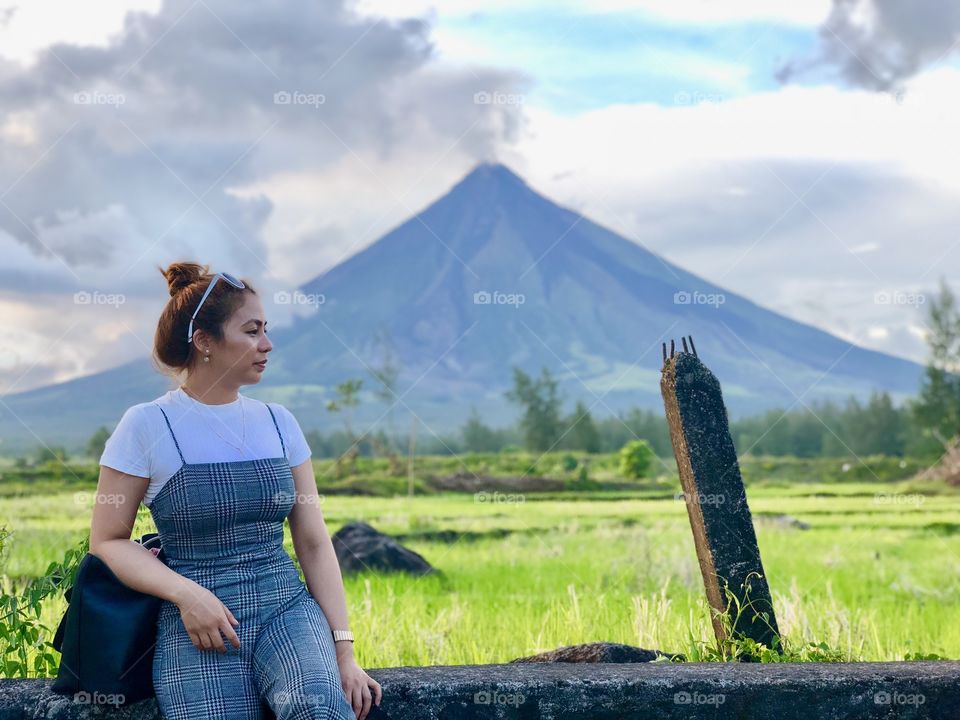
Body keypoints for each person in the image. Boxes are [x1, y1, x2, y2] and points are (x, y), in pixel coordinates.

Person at [89, 261, 382, 719]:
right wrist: (187, 595)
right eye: (251, 331)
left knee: (320, 712)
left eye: (265, 330)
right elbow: (107, 539)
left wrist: (344, 651)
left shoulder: (279, 422)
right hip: (200, 625)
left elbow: (312, 540)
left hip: (288, 610)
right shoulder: (147, 425)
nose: (267, 345)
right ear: (204, 340)